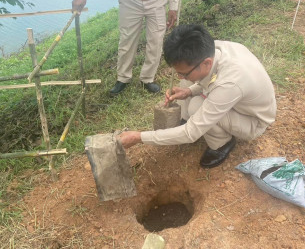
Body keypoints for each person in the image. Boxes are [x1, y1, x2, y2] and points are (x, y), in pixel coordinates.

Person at [118, 25, 277, 168]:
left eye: (183, 73)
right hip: (236, 101)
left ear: (206, 63)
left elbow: (191, 132)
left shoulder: (230, 82)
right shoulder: (215, 49)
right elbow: (212, 78)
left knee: (196, 106)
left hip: (252, 121)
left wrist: (138, 137)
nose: (180, 77)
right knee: (187, 87)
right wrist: (189, 91)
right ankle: (190, 120)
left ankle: (221, 144)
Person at [72, 0, 182, 96]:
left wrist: (174, 7)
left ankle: (147, 78)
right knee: (127, 40)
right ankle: (123, 78)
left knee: (156, 41)